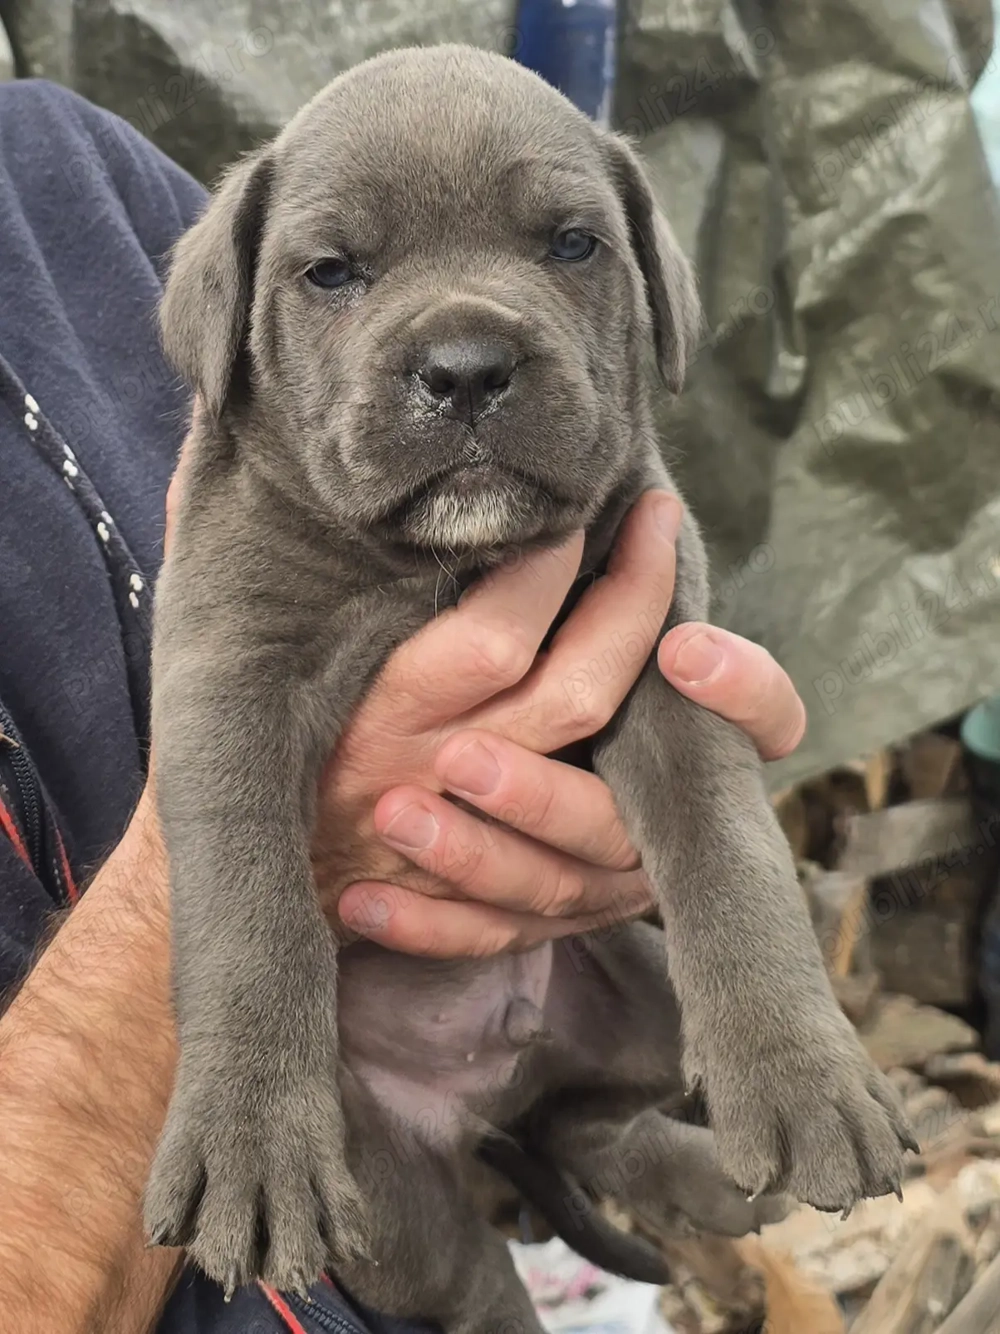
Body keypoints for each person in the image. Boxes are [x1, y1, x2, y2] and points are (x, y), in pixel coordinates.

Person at [0, 78, 806, 1334]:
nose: (465, 349)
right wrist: (255, 1033)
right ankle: (503, 1292)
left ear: (654, 291)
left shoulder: (62, 170)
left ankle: (599, 1134)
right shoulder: (255, 434)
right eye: (337, 275)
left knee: (649, 983)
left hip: (544, 964)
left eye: (568, 245)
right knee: (419, 1228)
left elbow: (667, 713)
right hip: (295, 1118)